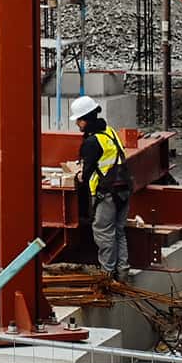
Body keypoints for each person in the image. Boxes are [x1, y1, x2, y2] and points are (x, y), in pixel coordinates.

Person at [73, 95, 133, 279]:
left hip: (106, 193)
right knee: (119, 231)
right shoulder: (110, 132)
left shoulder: (92, 142)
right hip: (123, 188)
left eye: (78, 120)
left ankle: (107, 274)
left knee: (103, 232)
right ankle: (122, 272)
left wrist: (78, 176)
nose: (77, 124)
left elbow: (87, 171)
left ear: (85, 119)